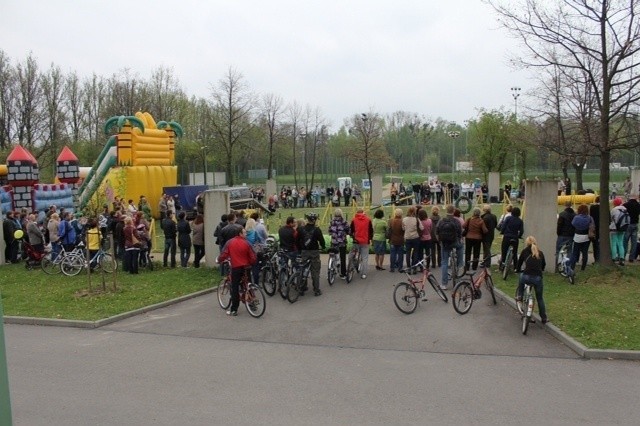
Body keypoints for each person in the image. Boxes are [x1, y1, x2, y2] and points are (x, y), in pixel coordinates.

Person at [217, 227, 257, 316]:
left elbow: (224, 254)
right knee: (248, 284)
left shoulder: (230, 242)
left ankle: (234, 309)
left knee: (234, 288)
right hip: (246, 267)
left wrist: (219, 260)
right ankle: (252, 303)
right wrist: (251, 263)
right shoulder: (247, 243)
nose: (246, 234)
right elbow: (253, 256)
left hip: (236, 267)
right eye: (244, 233)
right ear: (240, 233)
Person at [515, 236, 548, 324]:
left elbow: (519, 263)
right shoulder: (540, 253)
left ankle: (520, 295)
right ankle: (543, 318)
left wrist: (517, 270)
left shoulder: (524, 251)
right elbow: (543, 265)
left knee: (521, 276)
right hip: (537, 278)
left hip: (526, 276)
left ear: (526, 243)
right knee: (539, 298)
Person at [296, 213, 326, 296]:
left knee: (303, 269)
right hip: (314, 252)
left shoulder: (301, 229)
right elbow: (322, 241)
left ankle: (302, 288)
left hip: (304, 252)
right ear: (315, 220)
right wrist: (323, 247)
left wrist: (300, 249)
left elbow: (297, 240)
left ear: (307, 220)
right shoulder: (317, 230)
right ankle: (316, 290)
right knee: (315, 271)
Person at [436, 204, 463, 290]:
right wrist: (460, 240)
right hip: (455, 242)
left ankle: (444, 284)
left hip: (445, 244)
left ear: (446, 211)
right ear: (454, 211)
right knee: (461, 247)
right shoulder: (456, 221)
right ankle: (460, 265)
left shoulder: (441, 221)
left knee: (444, 262)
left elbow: (437, 232)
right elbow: (460, 233)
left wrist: (440, 241)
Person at [350, 208, 373, 279]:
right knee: (365, 258)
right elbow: (371, 231)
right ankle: (364, 274)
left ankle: (352, 266)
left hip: (356, 241)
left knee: (352, 254)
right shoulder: (368, 220)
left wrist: (352, 236)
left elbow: (351, 230)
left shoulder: (353, 220)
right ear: (363, 213)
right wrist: (370, 238)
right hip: (365, 241)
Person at [500, 206, 524, 271]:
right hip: (515, 237)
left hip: (507, 237)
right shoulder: (520, 221)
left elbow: (503, 226)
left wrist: (502, 232)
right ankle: (515, 267)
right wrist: (519, 236)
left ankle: (501, 266)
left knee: (504, 252)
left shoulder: (508, 218)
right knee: (515, 253)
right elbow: (521, 231)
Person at [328, 209, 350, 278]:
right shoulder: (344, 222)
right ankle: (343, 273)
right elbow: (348, 231)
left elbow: (329, 231)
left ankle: (331, 269)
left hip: (334, 242)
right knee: (342, 258)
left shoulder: (331, 222)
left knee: (333, 255)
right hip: (342, 242)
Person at [570, 204, 592, 272]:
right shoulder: (589, 218)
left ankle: (572, 267)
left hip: (577, 236)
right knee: (585, 252)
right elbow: (592, 225)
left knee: (575, 252)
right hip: (586, 236)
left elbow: (573, 224)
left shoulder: (576, 218)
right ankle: (583, 267)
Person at [555, 201, 575, 270]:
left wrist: (558, 233)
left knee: (558, 250)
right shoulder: (574, 215)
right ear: (571, 205)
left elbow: (559, 225)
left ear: (565, 205)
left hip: (562, 235)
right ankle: (568, 266)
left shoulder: (562, 214)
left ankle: (558, 265)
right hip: (571, 235)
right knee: (569, 251)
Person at [609, 197, 628, 266]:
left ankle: (614, 258)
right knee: (620, 243)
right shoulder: (625, 209)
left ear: (614, 203)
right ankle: (622, 258)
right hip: (622, 228)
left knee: (614, 243)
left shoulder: (613, 210)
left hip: (614, 228)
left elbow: (611, 219)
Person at [622, 193, 640, 262]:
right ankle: (631, 257)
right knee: (634, 242)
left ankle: (623, 256)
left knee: (625, 241)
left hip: (627, 224)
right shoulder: (638, 205)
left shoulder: (626, 205)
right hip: (635, 224)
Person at [589, 196, 601, 263]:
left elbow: (591, 217)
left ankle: (596, 259)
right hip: (602, 228)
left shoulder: (593, 207)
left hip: (594, 227)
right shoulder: (605, 207)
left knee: (595, 244)